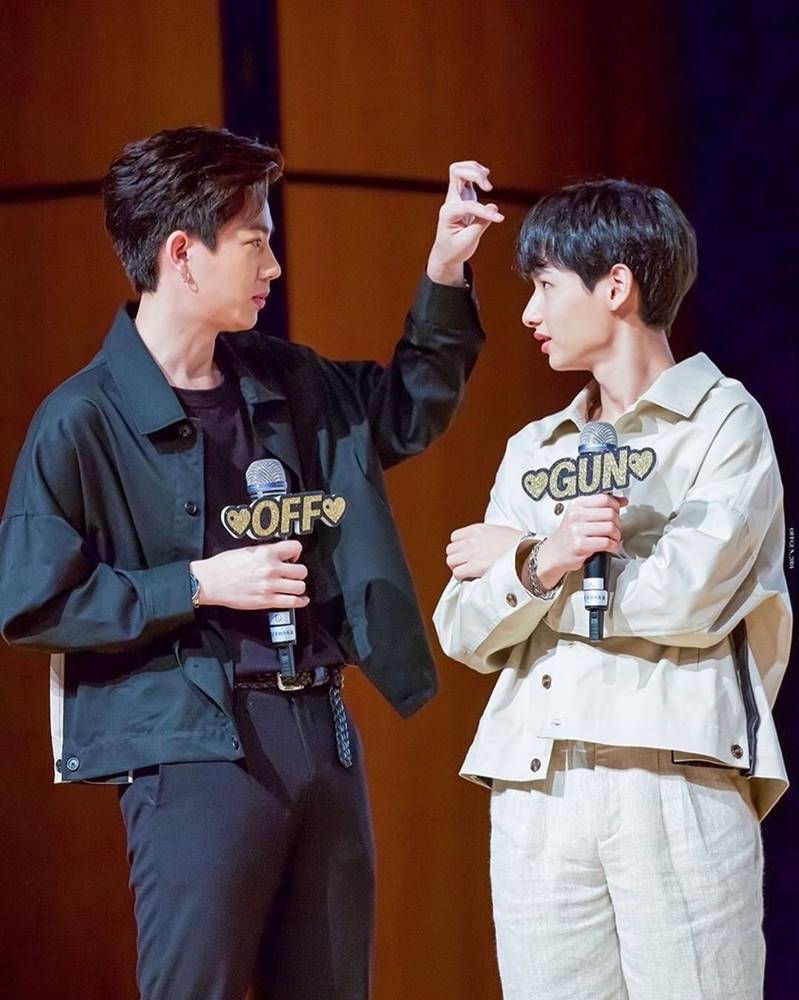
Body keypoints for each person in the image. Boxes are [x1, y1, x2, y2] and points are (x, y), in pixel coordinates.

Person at [0, 125, 503, 1000]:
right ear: (182, 254)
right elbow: (34, 601)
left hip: (321, 733)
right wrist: (199, 584)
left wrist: (446, 269)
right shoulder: (82, 419)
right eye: (254, 242)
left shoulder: (287, 380)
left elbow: (406, 409)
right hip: (193, 750)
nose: (274, 265)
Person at [433, 178, 790, 1000]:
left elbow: (687, 601)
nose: (530, 312)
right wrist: (545, 557)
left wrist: (526, 561)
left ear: (617, 285)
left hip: (672, 775)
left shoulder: (724, 422)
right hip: (537, 783)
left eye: (546, 286)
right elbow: (462, 626)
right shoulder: (536, 447)